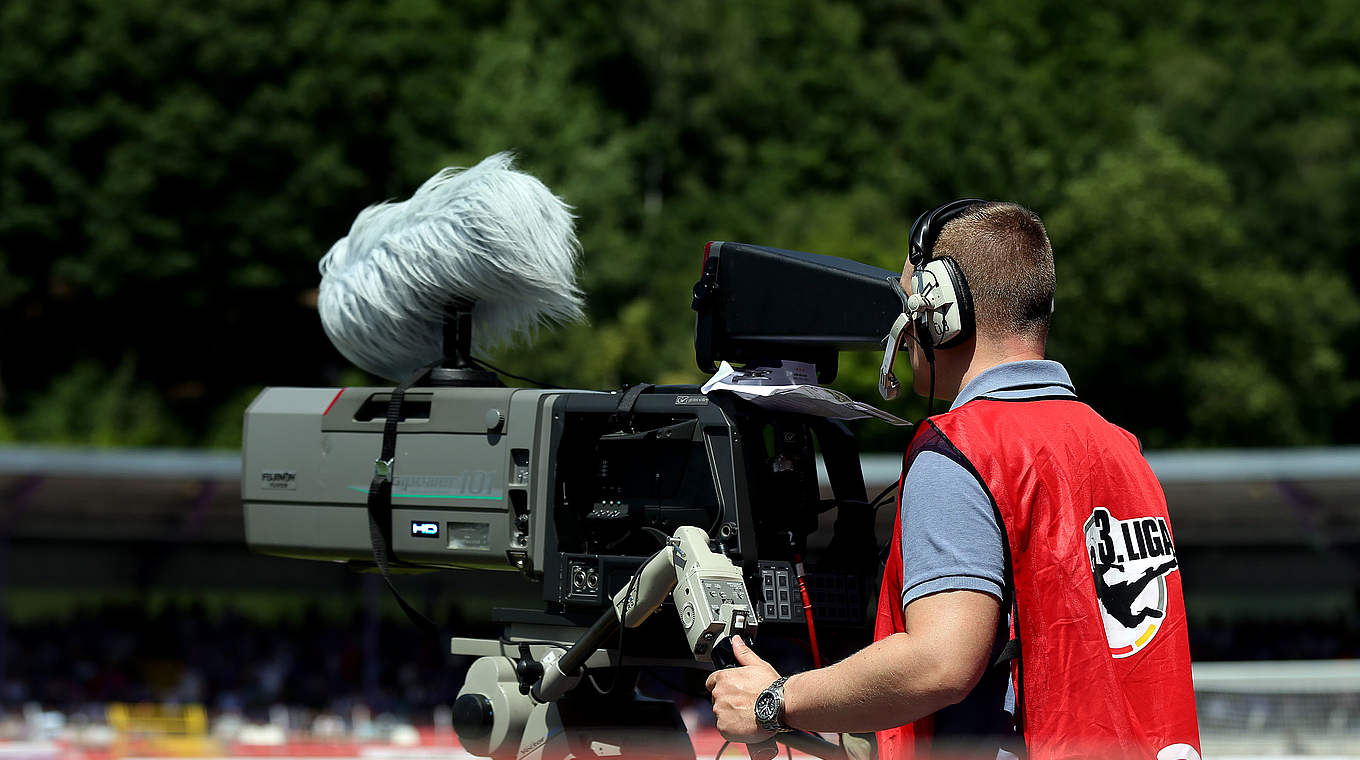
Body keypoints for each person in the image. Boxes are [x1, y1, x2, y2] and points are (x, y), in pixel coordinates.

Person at [706, 201, 1201, 759]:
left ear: (942, 310)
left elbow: (941, 661)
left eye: (910, 300)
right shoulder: (1120, 447)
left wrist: (774, 700)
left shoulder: (963, 448)